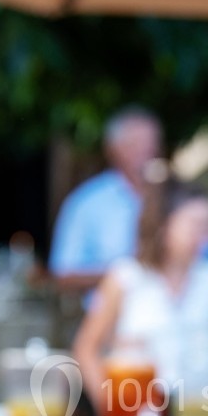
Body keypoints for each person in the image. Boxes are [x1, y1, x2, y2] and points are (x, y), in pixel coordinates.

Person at [72, 181, 208, 413]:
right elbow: (86, 349)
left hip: (201, 412)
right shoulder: (125, 278)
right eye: (196, 226)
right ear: (164, 222)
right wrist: (113, 410)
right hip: (141, 413)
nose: (206, 238)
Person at [49, 107, 163, 293]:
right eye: (136, 143)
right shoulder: (86, 202)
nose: (148, 150)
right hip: (111, 318)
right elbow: (63, 273)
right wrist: (128, 273)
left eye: (152, 142)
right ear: (114, 149)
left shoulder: (176, 195)